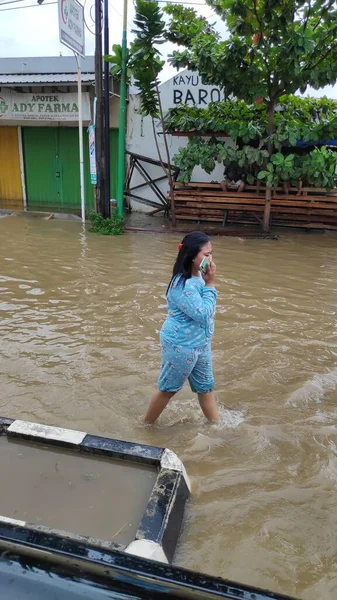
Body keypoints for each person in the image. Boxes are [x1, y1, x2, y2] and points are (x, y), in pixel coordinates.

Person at [144, 231, 219, 424]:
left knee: (205, 387)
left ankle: (216, 426)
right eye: (206, 255)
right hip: (181, 345)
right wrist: (211, 284)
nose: (210, 259)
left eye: (211, 254)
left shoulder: (197, 278)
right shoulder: (183, 285)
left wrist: (207, 282)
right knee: (168, 389)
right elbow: (203, 313)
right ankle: (145, 426)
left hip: (200, 343)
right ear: (192, 256)